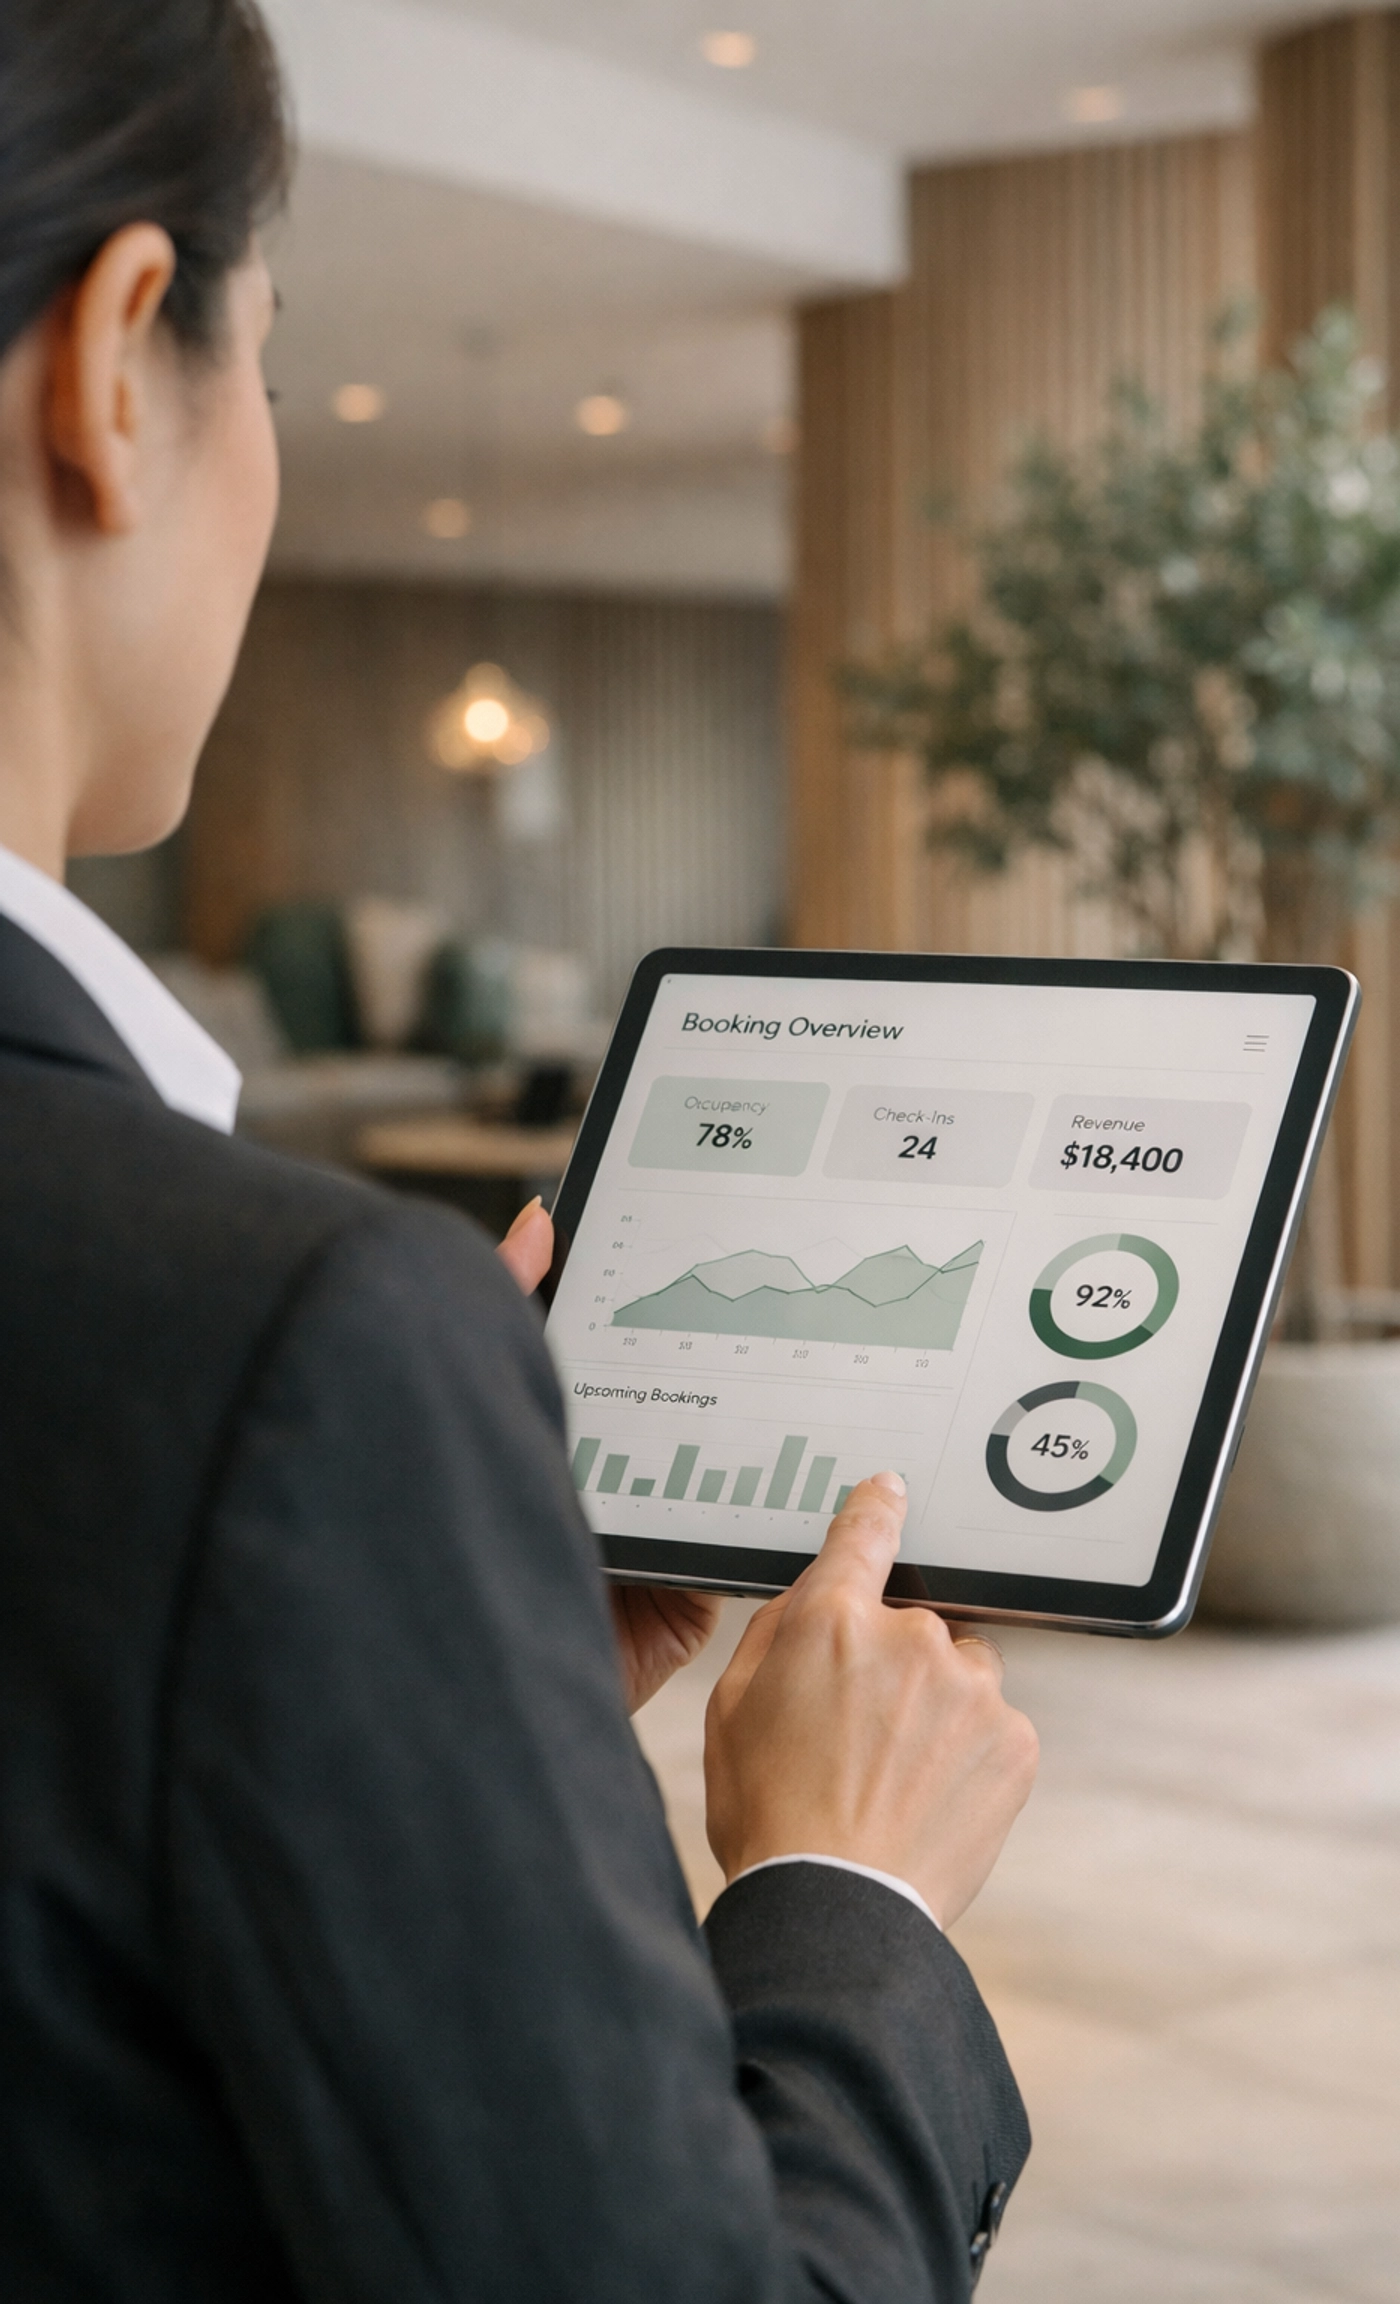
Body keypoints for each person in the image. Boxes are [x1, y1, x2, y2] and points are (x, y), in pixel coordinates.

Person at [0, 4, 1040, 2298]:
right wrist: (842, 1901)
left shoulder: (287, 1391)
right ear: (116, 356)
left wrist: (411, 1646)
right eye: (265, 362)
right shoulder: (286, 1343)